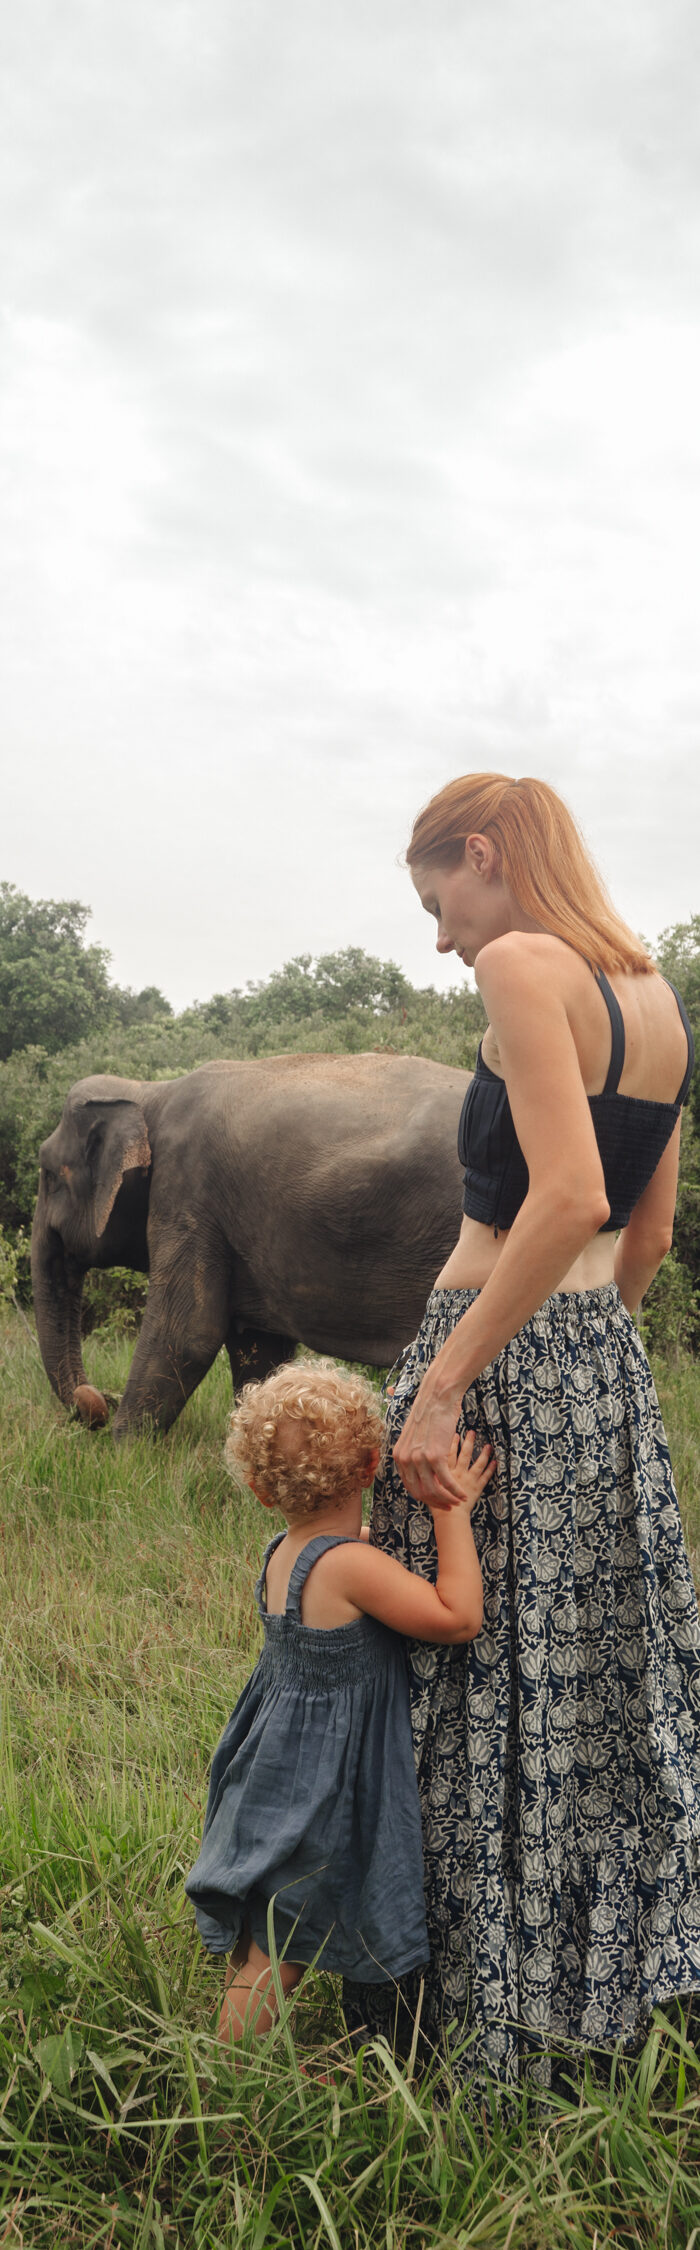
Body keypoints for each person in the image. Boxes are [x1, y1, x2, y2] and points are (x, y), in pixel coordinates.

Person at [345, 771, 700, 2085]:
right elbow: (641, 1232)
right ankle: (601, 2002)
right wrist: (582, 1358)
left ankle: (452, 2022)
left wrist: (448, 1386)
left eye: (436, 896)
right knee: (600, 1683)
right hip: (603, 1361)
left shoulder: (521, 966)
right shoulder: (655, 992)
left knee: (464, 1677)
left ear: (481, 854)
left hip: (488, 1354)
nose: (441, 935)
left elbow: (565, 1197)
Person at [185, 1358, 494, 2051]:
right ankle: (229, 2082)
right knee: (281, 1947)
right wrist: (450, 1509)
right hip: (320, 1783)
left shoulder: (286, 1553)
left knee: (270, 1934)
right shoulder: (354, 1566)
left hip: (271, 1762)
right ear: (370, 1470)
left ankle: (249, 2064)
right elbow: (457, 1616)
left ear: (263, 1490)